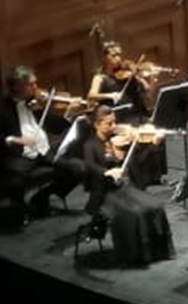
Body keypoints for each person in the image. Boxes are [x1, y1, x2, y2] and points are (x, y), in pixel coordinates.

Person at [59, 107, 173, 265]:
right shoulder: (90, 145)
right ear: (97, 124)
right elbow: (90, 166)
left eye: (114, 122)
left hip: (126, 189)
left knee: (156, 206)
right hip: (105, 194)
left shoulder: (118, 140)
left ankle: (158, 252)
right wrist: (107, 172)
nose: (114, 126)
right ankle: (137, 256)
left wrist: (152, 145)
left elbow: (138, 161)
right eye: (109, 123)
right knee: (136, 212)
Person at [0, 66, 64, 224]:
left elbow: (58, 128)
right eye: (31, 84)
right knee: (15, 180)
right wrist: (13, 139)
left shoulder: (37, 102)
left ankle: (40, 198)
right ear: (16, 86)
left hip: (44, 151)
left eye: (35, 83)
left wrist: (40, 110)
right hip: (20, 155)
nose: (36, 87)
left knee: (77, 168)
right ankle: (19, 209)